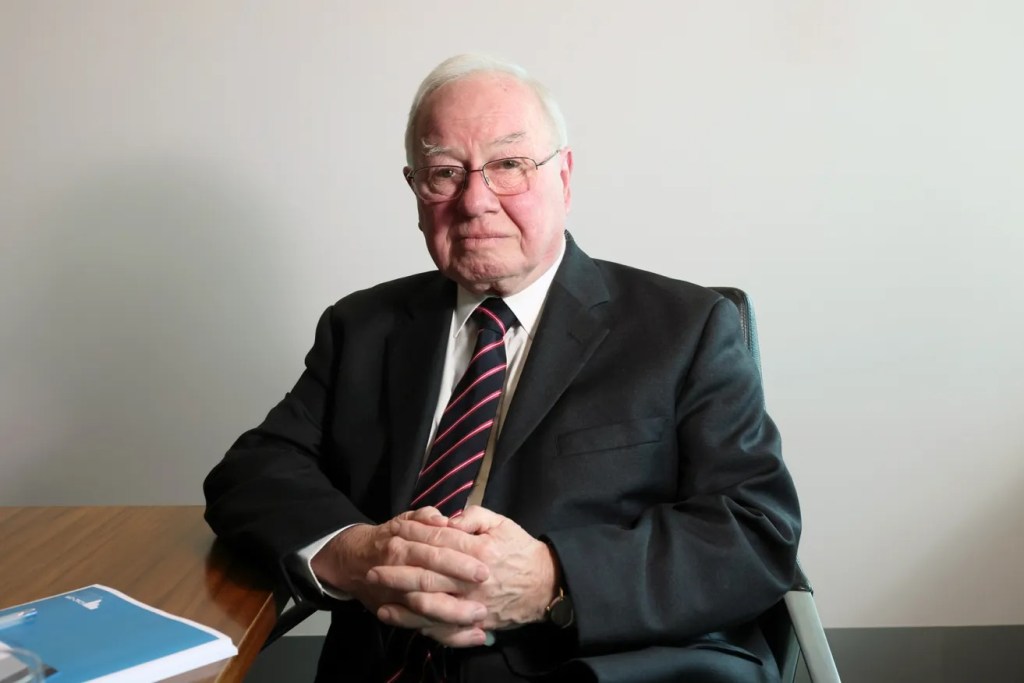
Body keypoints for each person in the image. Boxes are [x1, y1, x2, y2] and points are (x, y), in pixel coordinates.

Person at [204, 54, 801, 683]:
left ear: (564, 178)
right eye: (445, 173)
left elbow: (754, 530)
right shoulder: (364, 326)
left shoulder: (686, 327)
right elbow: (252, 473)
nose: (475, 201)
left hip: (582, 667)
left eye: (509, 165)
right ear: (415, 189)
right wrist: (354, 552)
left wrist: (553, 578)